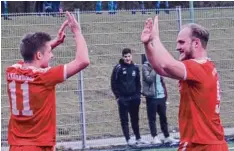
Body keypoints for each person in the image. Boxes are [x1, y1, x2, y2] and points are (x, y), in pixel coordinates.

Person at [141, 16, 229, 150]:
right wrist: (148, 44)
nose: (177, 47)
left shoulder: (199, 67)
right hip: (202, 143)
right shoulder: (202, 67)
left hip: (201, 144)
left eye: (181, 42)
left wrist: (156, 38)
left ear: (196, 43)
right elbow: (160, 68)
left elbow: (167, 64)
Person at [6, 11, 90, 151]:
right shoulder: (44, 77)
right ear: (39, 55)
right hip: (38, 146)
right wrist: (77, 32)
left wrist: (54, 43)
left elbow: (32, 59)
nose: (52, 55)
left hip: (16, 145)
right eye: (49, 52)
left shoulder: (12, 71)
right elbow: (83, 61)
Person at [111, 48, 147, 146]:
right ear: (122, 57)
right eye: (125, 56)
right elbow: (113, 83)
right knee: (124, 120)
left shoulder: (135, 67)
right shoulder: (118, 68)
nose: (127, 58)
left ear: (131, 56)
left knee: (135, 119)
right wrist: (118, 97)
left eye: (129, 56)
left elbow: (138, 82)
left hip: (134, 98)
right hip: (123, 99)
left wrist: (138, 95)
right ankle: (128, 139)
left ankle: (138, 138)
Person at [142, 55, 179, 145]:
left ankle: (167, 136)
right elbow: (149, 79)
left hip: (161, 96)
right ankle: (154, 137)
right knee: (152, 118)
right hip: (152, 97)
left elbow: (162, 79)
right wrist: (155, 68)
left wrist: (165, 93)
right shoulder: (145, 66)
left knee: (163, 117)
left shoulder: (159, 65)